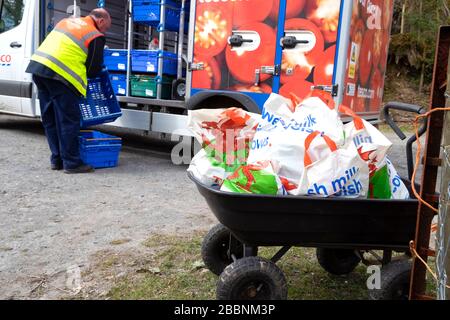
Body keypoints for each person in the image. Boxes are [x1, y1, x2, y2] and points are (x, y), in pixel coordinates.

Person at [26, 8, 112, 174]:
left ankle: (57, 159)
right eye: (106, 27)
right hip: (61, 77)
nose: (105, 30)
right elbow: (93, 69)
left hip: (39, 68)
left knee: (50, 117)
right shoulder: (95, 35)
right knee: (68, 120)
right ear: (100, 21)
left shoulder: (66, 21)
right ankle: (72, 163)